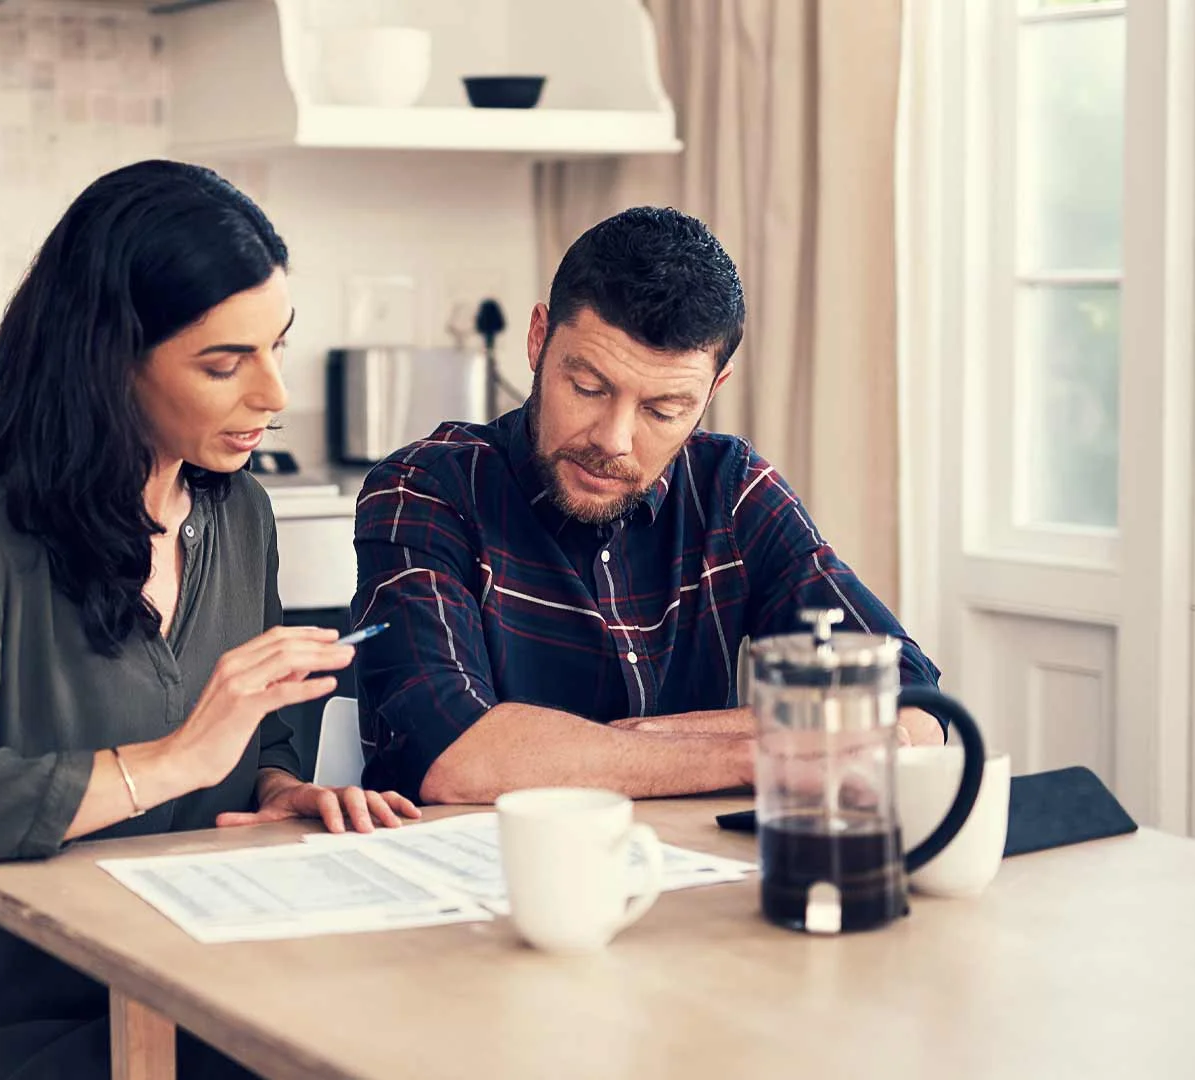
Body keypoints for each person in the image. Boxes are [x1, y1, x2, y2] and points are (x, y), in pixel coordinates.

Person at [0, 160, 420, 1080]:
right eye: (224, 363)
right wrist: (176, 761)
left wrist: (274, 790)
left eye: (278, 347)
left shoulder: (239, 512)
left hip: (179, 981)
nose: (273, 395)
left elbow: (261, 733)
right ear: (108, 361)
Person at [349, 205, 943, 806]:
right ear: (538, 339)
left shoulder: (730, 488)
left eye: (664, 411)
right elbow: (452, 753)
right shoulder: (426, 488)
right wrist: (759, 750)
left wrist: (638, 740)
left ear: (714, 390)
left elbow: (913, 705)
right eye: (588, 388)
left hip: (689, 873)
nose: (614, 439)